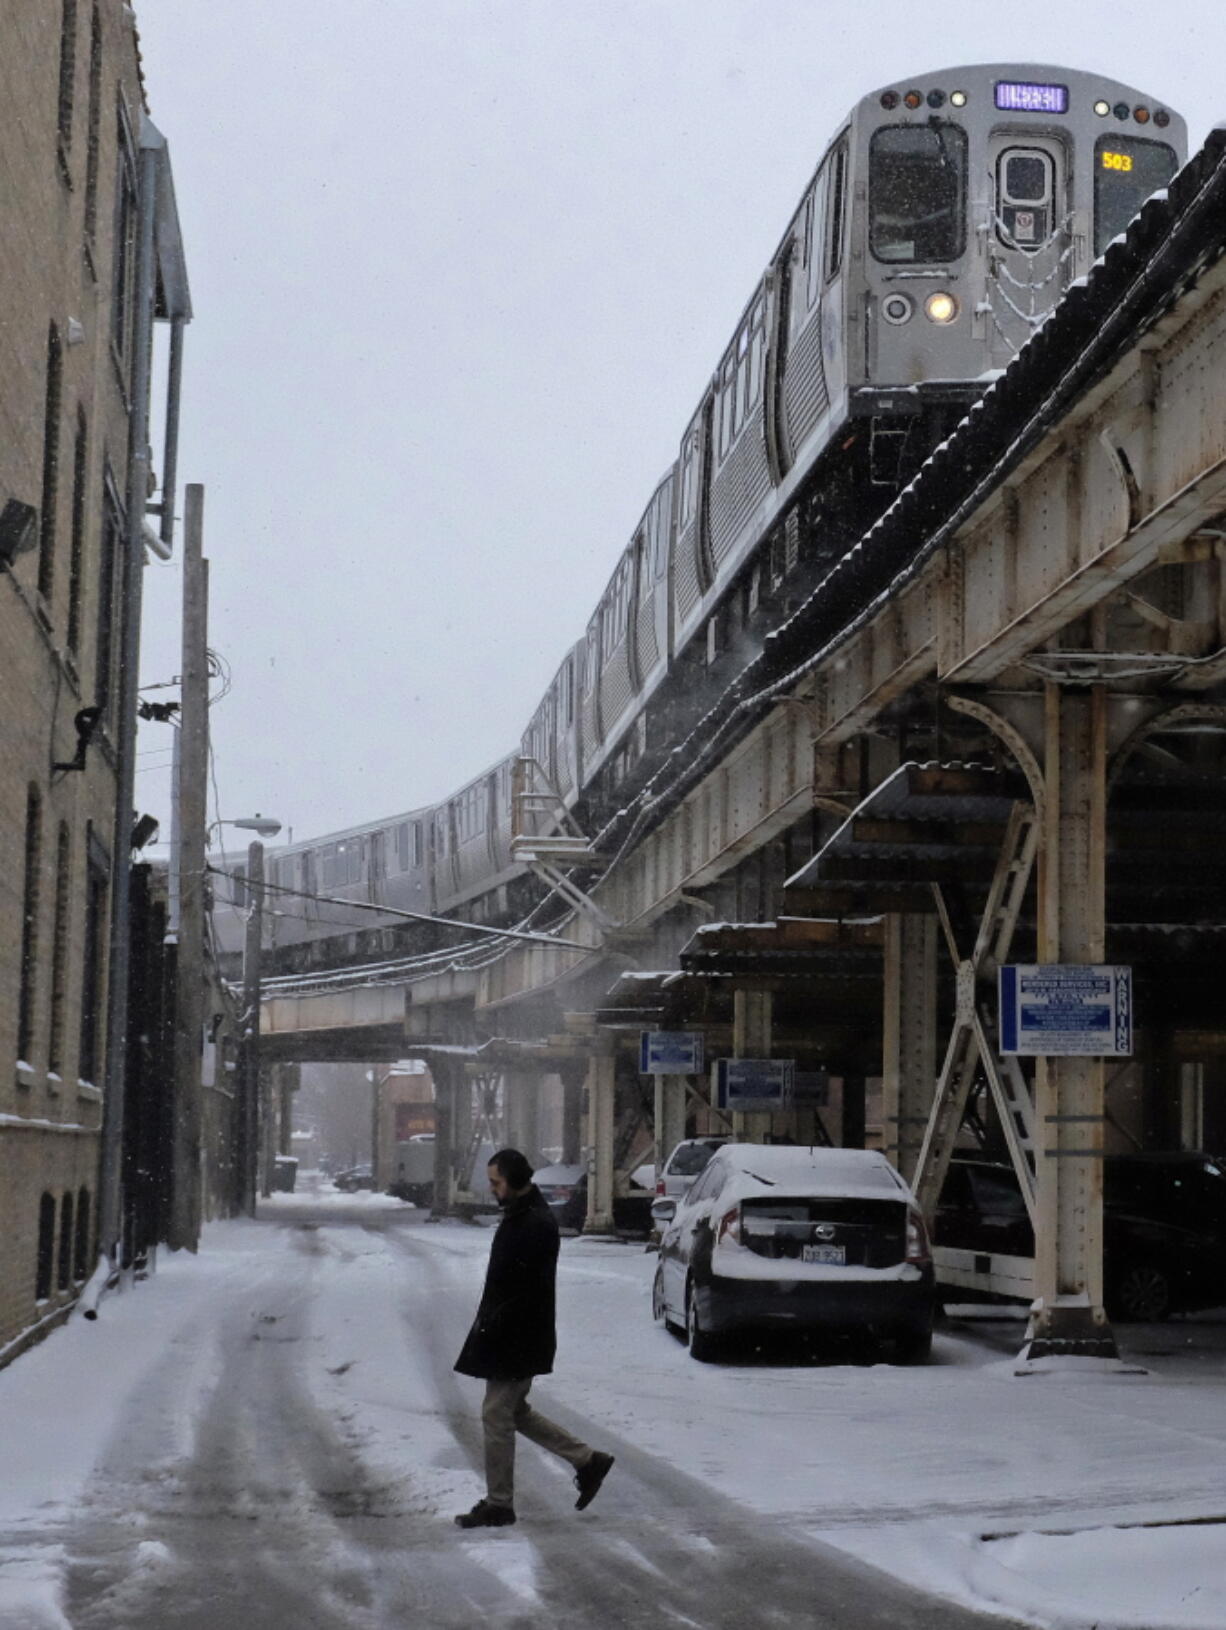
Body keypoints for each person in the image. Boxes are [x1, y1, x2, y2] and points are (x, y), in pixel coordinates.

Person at [453, 1147, 614, 1528]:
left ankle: (499, 1504)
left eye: (496, 1182)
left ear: (515, 1181)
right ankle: (588, 1461)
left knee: (496, 1413)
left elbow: (524, 1291)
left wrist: (495, 1323)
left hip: (517, 1338)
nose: (492, 1189)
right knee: (514, 1411)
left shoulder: (534, 1224)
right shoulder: (523, 1215)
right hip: (512, 1335)